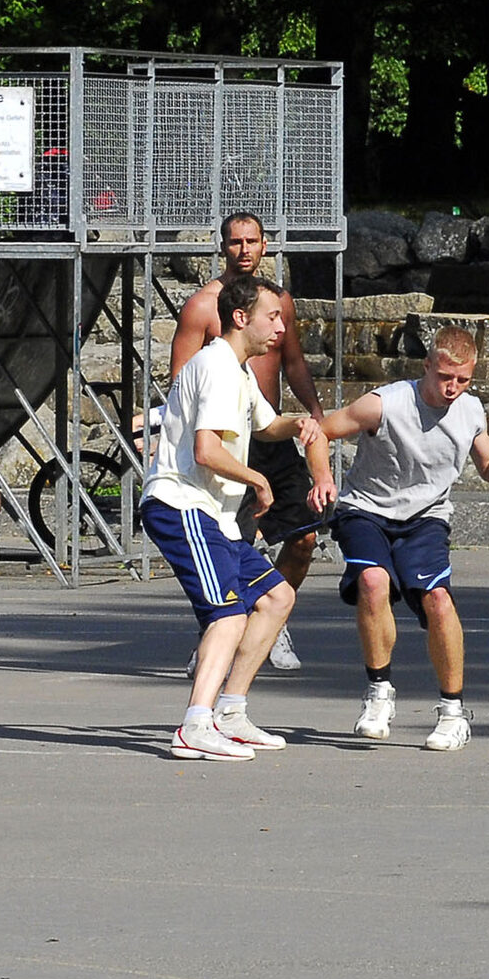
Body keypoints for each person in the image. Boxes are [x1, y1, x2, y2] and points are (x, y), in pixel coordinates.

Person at [308, 328, 489, 752]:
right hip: (366, 508)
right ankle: (379, 693)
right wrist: (323, 477)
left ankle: (453, 713)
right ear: (426, 367)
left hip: (425, 517)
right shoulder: (385, 404)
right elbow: (318, 432)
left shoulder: (471, 411)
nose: (452, 387)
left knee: (438, 600)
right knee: (373, 582)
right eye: (444, 377)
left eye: (463, 380)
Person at [144, 273, 325, 759]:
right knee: (227, 614)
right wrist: (258, 480)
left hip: (214, 517)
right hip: (182, 505)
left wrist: (300, 423)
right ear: (240, 318)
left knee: (276, 597)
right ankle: (194, 724)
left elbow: (265, 426)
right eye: (272, 317)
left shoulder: (239, 370)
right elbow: (206, 450)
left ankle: (230, 711)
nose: (281, 328)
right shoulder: (219, 367)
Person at [168, 212, 326, 671]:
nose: (244, 249)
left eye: (252, 241)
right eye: (235, 241)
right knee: (230, 542)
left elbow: (292, 361)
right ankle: (219, 631)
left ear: (265, 246)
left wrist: (312, 413)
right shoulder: (204, 307)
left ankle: (271, 624)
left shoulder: (278, 305)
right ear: (223, 247)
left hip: (270, 433)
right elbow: (182, 380)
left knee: (304, 538)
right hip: (225, 441)